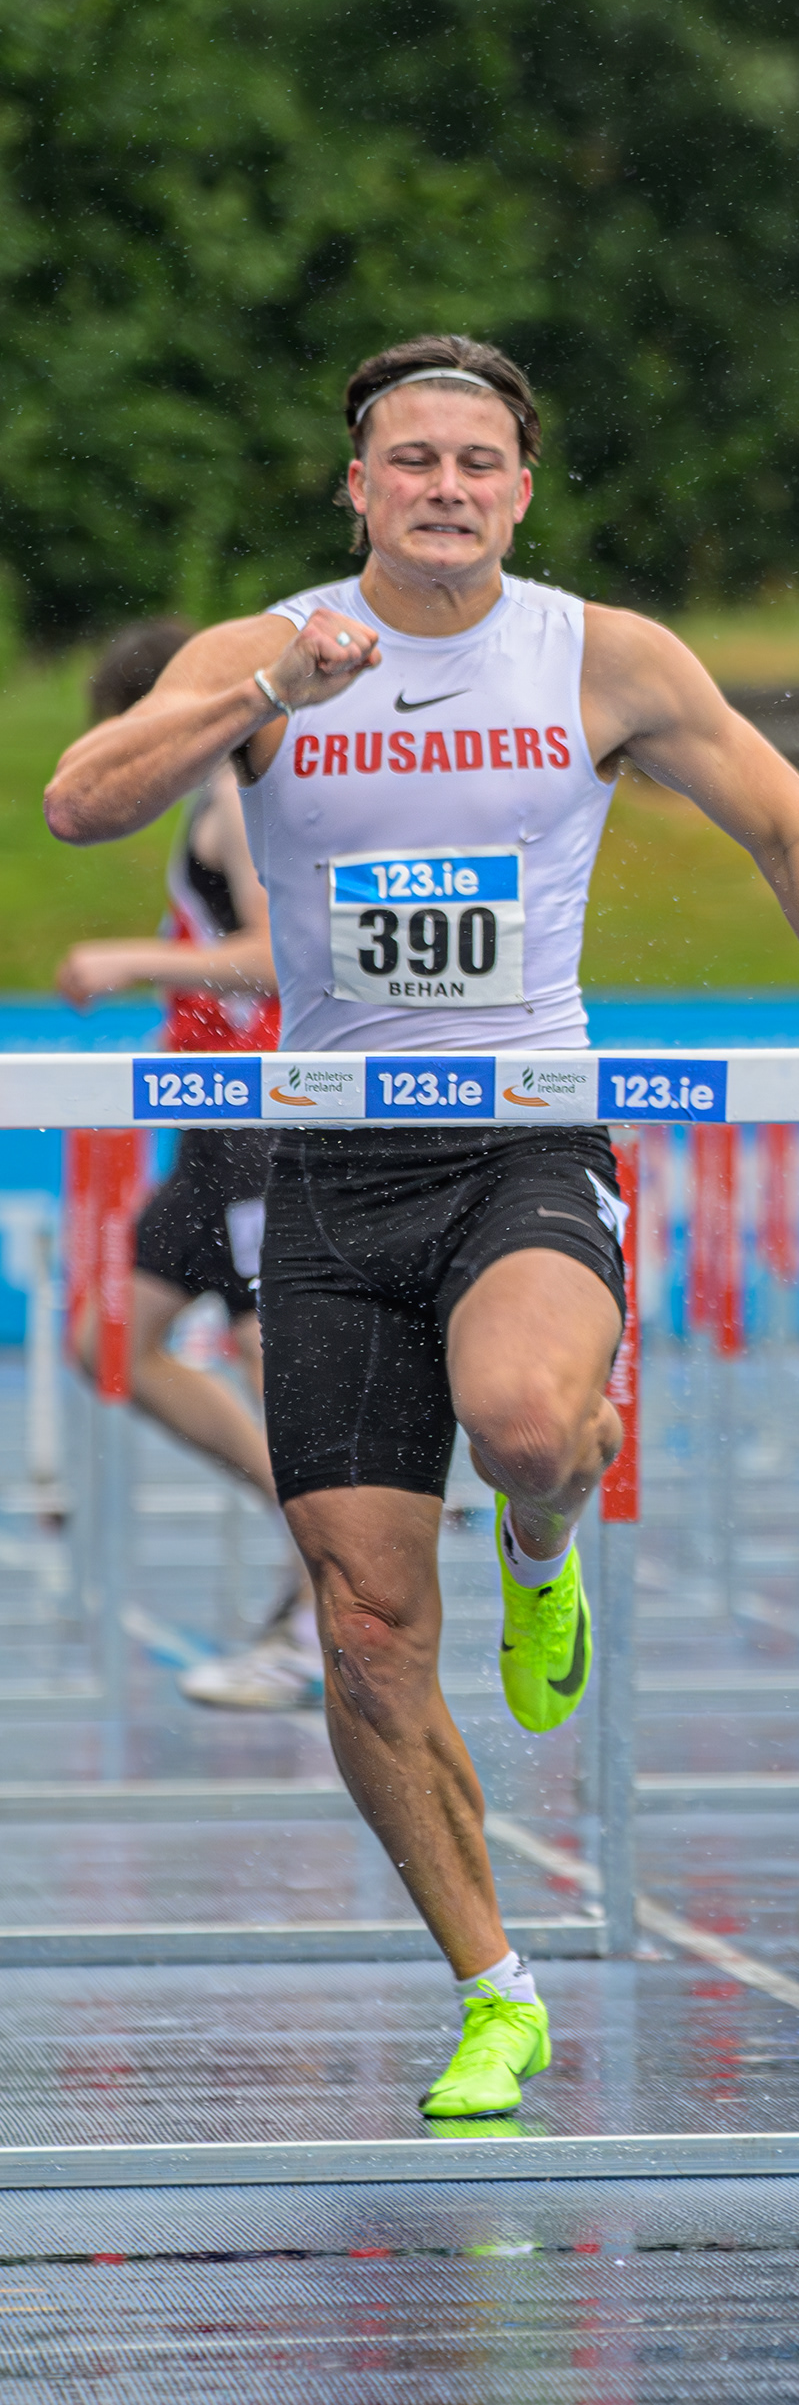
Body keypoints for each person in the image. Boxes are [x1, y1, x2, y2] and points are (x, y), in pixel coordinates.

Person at [43, 335, 799, 2124]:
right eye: (411, 460)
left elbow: (794, 830)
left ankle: (544, 1544)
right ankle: (493, 1988)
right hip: (328, 1167)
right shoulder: (267, 654)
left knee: (529, 1421)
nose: (445, 486)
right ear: (355, 486)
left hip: (522, 1131)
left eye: (478, 462)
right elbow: (82, 802)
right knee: (363, 1623)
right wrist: (276, 681)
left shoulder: (604, 657)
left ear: (522, 490)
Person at [52, 619, 326, 1708]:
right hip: (211, 1131)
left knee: (278, 1363)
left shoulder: (227, 797)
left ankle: (322, 1614)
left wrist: (130, 959)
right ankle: (312, 1516)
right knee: (107, 1339)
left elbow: (280, 956)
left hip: (265, 1121)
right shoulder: (210, 806)